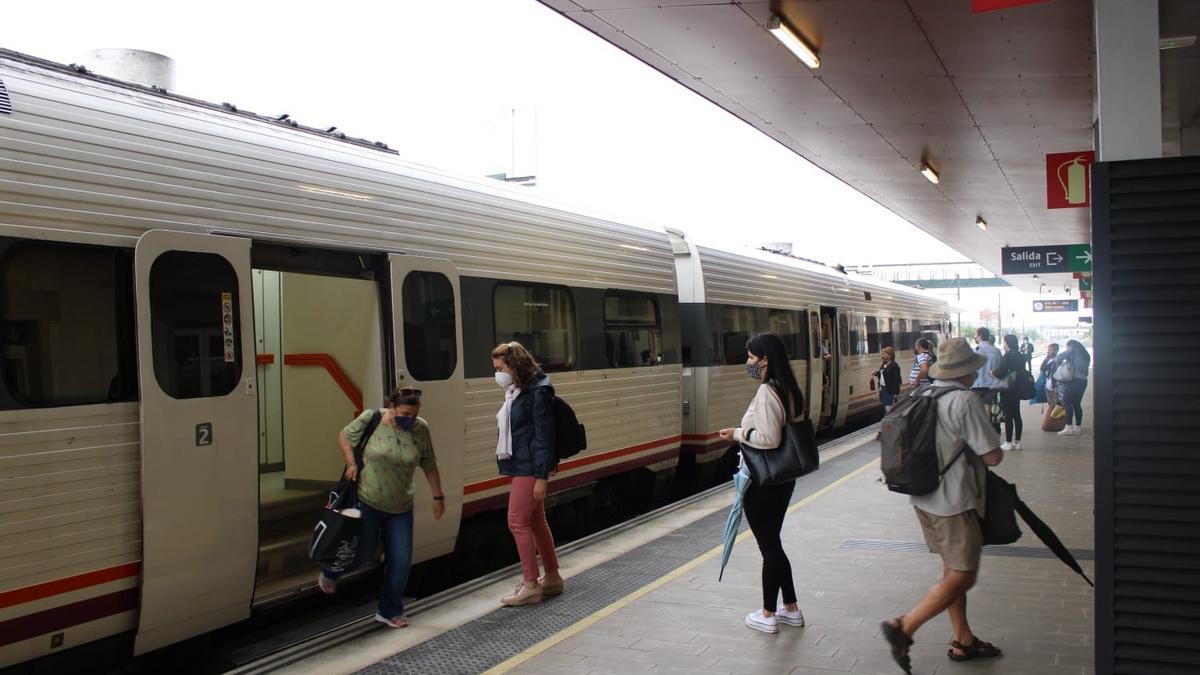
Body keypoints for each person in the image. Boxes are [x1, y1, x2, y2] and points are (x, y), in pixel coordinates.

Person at [880, 337, 1004, 673]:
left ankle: (963, 639)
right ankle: (903, 626)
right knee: (963, 575)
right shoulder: (964, 401)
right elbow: (993, 457)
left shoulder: (923, 392)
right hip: (955, 501)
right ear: (968, 372)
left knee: (951, 570)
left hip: (923, 497)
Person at [317, 387, 445, 629]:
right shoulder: (372, 419)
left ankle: (389, 610)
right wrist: (351, 462)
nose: (409, 419)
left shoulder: (420, 429)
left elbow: (429, 464)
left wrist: (438, 497)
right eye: (404, 413)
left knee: (401, 560)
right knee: (361, 552)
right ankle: (331, 571)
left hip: (401, 507)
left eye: (414, 415)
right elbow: (344, 436)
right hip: (367, 501)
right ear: (392, 407)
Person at [717, 332, 806, 635]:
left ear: (765, 359)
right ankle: (790, 608)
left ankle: (768, 614)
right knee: (774, 545)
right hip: (783, 480)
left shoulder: (768, 392)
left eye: (752, 358)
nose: (749, 363)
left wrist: (737, 434)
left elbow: (769, 438)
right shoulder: (789, 388)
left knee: (769, 548)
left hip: (762, 483)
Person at [492, 341, 564, 606]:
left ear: (514, 365)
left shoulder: (538, 392)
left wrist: (541, 476)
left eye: (500, 368)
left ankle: (531, 584)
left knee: (516, 522)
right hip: (524, 463)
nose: (497, 374)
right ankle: (553, 577)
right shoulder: (518, 391)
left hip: (530, 466)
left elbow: (545, 437)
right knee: (535, 522)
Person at [992, 334, 1026, 451]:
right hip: (1018, 388)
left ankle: (1008, 442)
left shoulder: (1007, 356)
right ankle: (1018, 442)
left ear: (1007, 343)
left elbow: (1001, 372)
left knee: (1008, 416)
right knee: (1017, 414)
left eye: (1004, 341)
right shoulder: (1021, 356)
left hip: (1007, 389)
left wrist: (993, 373)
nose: (1003, 343)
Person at [971, 327, 1003, 433]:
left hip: (977, 385)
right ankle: (993, 428)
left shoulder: (974, 351)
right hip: (992, 384)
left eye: (976, 334)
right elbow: (1000, 369)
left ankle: (982, 430)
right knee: (992, 407)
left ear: (979, 336)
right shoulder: (996, 351)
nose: (975, 336)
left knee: (978, 410)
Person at [1055, 340, 1091, 435]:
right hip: (1083, 382)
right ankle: (1078, 427)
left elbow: (1058, 358)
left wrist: (1069, 351)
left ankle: (1068, 427)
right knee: (1076, 404)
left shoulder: (1073, 351)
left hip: (1073, 381)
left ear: (1071, 346)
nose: (1067, 349)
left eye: (1067, 347)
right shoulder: (1085, 354)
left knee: (1067, 403)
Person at [876, 346, 901, 412]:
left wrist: (896, 393)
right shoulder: (884, 364)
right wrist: (876, 373)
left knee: (889, 408)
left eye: (885, 354)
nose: (883, 355)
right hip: (883, 389)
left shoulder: (894, 366)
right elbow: (882, 374)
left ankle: (891, 420)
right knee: (886, 406)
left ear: (890, 355)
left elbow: (897, 380)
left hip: (889, 390)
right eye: (883, 354)